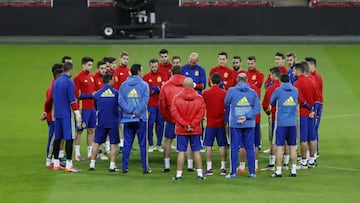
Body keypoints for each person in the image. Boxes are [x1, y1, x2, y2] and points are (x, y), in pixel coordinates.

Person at [224, 73, 260, 179]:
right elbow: (257, 109)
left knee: (234, 147)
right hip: (249, 123)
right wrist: (247, 116)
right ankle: (252, 172)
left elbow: (226, 103)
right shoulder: (253, 93)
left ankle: (233, 173)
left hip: (235, 123)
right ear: (247, 80)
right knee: (250, 147)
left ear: (237, 80)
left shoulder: (231, 91)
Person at [171, 77, 206, 180]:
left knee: (181, 151)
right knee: (196, 151)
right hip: (195, 130)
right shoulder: (199, 98)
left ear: (183, 86)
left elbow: (174, 113)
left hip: (181, 129)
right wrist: (193, 124)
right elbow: (201, 114)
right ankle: (200, 174)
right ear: (193, 86)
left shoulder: (177, 98)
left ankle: (179, 175)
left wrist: (185, 124)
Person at [118, 64, 151, 173]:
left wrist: (130, 111)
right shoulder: (144, 85)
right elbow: (145, 100)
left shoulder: (123, 85)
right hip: (141, 118)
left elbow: (121, 100)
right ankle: (145, 168)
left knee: (127, 143)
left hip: (128, 118)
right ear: (138, 72)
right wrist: (136, 112)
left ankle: (124, 167)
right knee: (143, 144)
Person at [52, 62, 82, 172]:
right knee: (69, 138)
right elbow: (72, 100)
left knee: (58, 138)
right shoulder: (69, 83)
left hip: (57, 114)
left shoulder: (56, 82)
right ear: (71, 70)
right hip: (66, 115)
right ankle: (69, 165)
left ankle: (56, 163)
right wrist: (77, 113)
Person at [270, 74, 299, 177]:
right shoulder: (295, 90)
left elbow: (271, 102)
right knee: (293, 147)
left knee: (279, 147)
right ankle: (294, 170)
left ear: (281, 81)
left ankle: (278, 171)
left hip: (281, 123)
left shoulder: (278, 90)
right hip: (292, 123)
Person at [89, 74, 120, 172]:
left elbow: (96, 106)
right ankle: (112, 166)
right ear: (111, 80)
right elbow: (119, 106)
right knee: (113, 144)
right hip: (113, 121)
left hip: (101, 121)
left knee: (96, 142)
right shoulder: (116, 93)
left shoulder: (97, 94)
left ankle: (92, 164)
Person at [159, 65, 186, 172]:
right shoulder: (187, 84)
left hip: (171, 118)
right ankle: (189, 165)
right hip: (184, 118)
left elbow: (162, 104)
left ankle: (166, 165)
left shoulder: (166, 86)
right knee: (186, 142)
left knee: (168, 141)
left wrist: (166, 117)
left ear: (171, 73)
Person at [293, 62, 319, 169]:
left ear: (299, 71)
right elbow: (318, 98)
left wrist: (309, 108)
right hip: (312, 114)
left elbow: (301, 100)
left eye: (294, 70)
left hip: (303, 113)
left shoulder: (297, 84)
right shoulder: (313, 80)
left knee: (303, 139)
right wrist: (314, 110)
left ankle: (304, 162)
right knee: (312, 138)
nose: (293, 72)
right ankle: (312, 160)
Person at [202, 73, 227, 176]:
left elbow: (203, 106)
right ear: (220, 81)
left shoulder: (206, 93)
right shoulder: (224, 93)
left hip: (210, 123)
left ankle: (209, 168)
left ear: (211, 81)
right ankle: (223, 167)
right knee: (222, 145)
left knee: (208, 145)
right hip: (221, 123)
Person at [73, 57, 96, 161]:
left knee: (91, 130)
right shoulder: (78, 78)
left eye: (91, 65)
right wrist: (90, 95)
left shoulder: (91, 77)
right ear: (83, 65)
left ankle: (90, 154)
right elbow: (76, 95)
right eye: (88, 65)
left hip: (92, 108)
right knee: (80, 130)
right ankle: (77, 154)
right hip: (83, 108)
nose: (90, 67)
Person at [40, 63, 63, 169]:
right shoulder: (54, 85)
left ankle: (54, 159)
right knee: (53, 139)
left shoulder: (55, 83)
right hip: (52, 116)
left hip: (55, 115)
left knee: (56, 138)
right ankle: (49, 161)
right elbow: (48, 101)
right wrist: (46, 112)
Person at [143, 58, 166, 152]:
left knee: (160, 124)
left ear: (158, 66)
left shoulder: (163, 75)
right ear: (150, 66)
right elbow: (146, 90)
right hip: (150, 105)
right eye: (152, 67)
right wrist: (156, 88)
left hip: (160, 104)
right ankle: (151, 144)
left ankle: (159, 144)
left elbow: (163, 88)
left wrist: (153, 88)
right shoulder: (146, 77)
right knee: (150, 124)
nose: (154, 68)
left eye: (156, 66)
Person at [261, 67, 281, 171]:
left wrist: (269, 113)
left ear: (273, 75)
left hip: (274, 118)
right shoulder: (288, 87)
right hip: (288, 118)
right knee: (286, 141)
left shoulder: (271, 88)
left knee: (273, 140)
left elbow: (265, 104)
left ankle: (272, 163)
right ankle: (286, 163)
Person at [112, 52, 130, 152]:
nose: (126, 61)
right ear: (120, 59)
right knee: (118, 123)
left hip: (128, 101)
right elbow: (116, 88)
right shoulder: (117, 72)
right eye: (124, 59)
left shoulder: (129, 71)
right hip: (120, 101)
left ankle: (126, 142)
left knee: (128, 121)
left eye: (127, 59)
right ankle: (121, 143)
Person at [305, 57, 323, 155]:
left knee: (313, 129)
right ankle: (313, 152)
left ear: (312, 65)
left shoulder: (316, 77)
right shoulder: (311, 77)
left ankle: (314, 153)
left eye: (307, 65)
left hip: (316, 105)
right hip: (313, 105)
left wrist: (315, 109)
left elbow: (317, 95)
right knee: (312, 129)